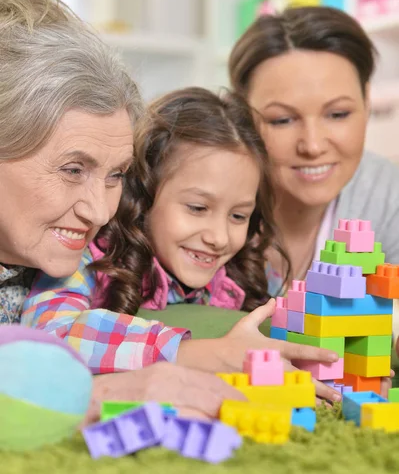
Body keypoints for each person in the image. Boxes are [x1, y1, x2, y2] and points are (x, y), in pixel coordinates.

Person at [0, 0, 249, 421]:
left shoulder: (48, 263)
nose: (99, 212)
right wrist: (103, 396)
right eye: (73, 169)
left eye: (115, 175)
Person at [22, 87, 342, 402]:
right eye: (197, 208)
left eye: (238, 215)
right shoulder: (88, 261)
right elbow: (49, 334)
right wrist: (192, 352)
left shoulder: (246, 277)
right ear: (144, 197)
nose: (218, 237)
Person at [228, 5, 399, 297]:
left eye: (338, 114)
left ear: (367, 103)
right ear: (241, 115)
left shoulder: (388, 195)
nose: (313, 145)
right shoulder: (205, 195)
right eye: (282, 120)